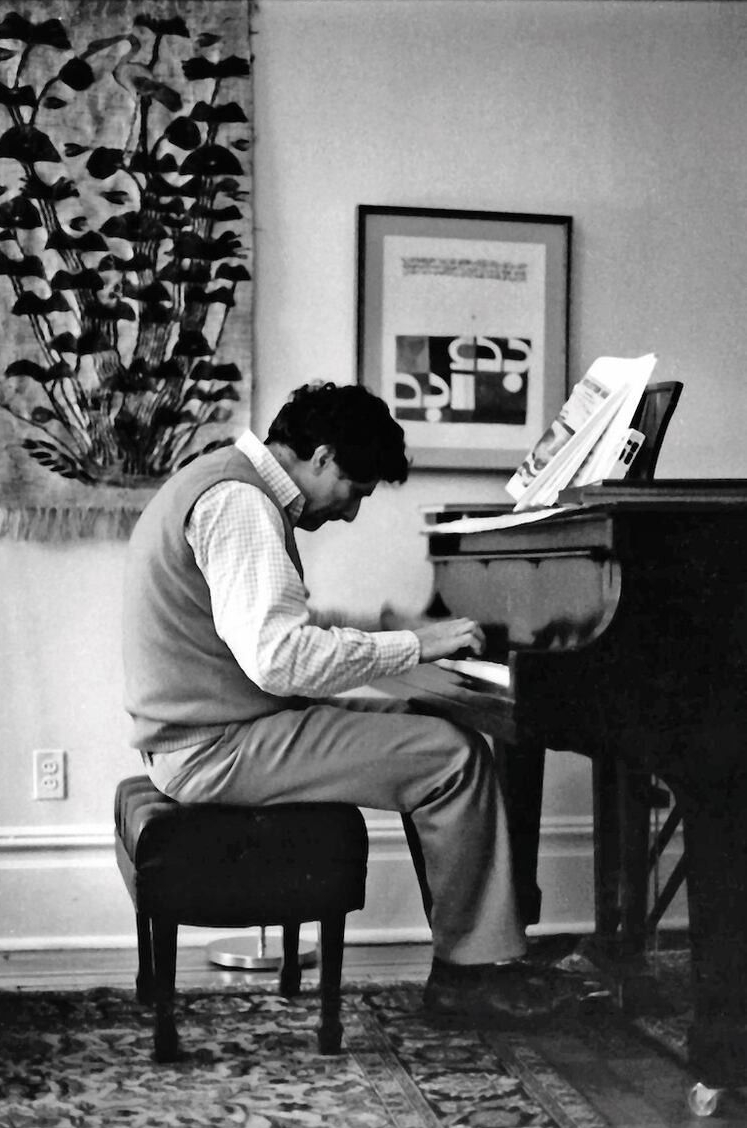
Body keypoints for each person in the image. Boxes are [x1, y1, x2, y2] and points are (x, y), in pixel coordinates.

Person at [122, 382, 574, 1022]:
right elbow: (279, 660)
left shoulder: (224, 480)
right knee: (453, 757)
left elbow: (257, 628)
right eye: (356, 492)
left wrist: (387, 627)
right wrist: (411, 645)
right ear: (325, 456)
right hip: (213, 747)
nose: (351, 512)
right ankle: (472, 974)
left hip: (210, 729)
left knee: (428, 727)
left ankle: (481, 943)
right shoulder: (241, 503)